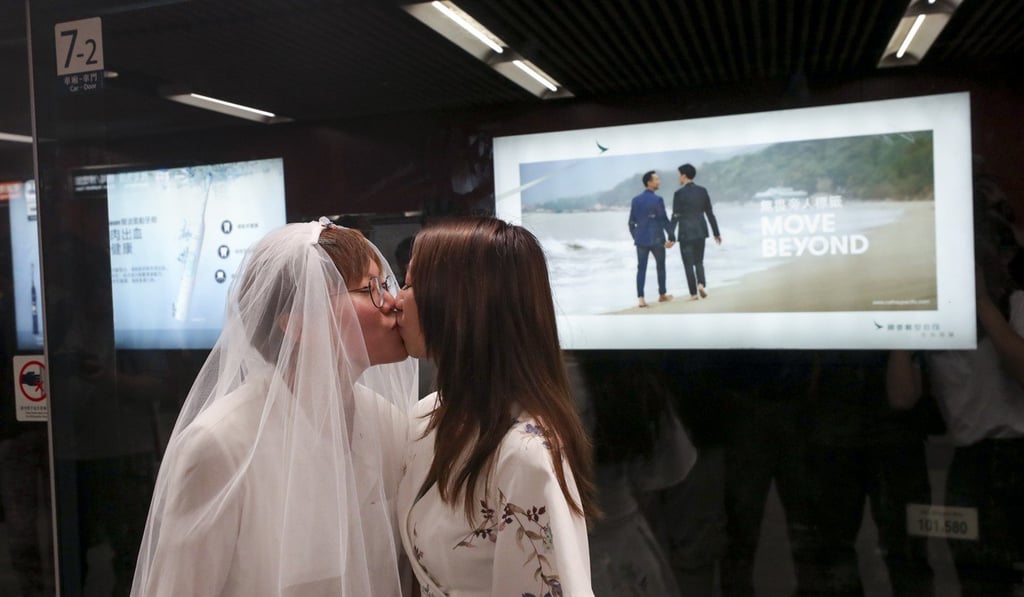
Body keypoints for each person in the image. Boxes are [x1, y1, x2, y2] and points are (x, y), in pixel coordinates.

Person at [130, 219, 418, 596]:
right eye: (371, 289)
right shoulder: (222, 444)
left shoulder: (388, 424)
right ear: (296, 321)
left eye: (388, 285)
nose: (393, 302)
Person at [394, 217, 597, 597]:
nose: (396, 300)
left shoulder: (525, 452)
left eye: (410, 285)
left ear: (460, 304)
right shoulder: (429, 415)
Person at [887, 175, 1024, 596]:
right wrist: (904, 325)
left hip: (1018, 451)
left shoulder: (1014, 301)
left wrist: (981, 302)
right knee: (977, 580)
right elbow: (902, 398)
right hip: (971, 460)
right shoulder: (933, 317)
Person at [671, 164, 721, 301]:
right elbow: (710, 213)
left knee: (688, 264)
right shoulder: (702, 191)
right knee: (699, 261)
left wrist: (670, 236)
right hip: (700, 230)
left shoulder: (678, 194)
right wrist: (716, 232)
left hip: (685, 232)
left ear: (684, 175)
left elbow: (675, 215)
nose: (678, 177)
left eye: (679, 175)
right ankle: (701, 284)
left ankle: (693, 294)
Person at [629, 171, 675, 307]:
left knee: (641, 268)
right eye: (656, 180)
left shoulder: (635, 200)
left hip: (641, 240)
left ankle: (641, 299)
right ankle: (662, 295)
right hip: (657, 239)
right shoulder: (657, 200)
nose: (659, 182)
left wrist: (636, 236)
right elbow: (663, 220)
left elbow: (631, 223)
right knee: (660, 267)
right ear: (649, 182)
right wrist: (671, 236)